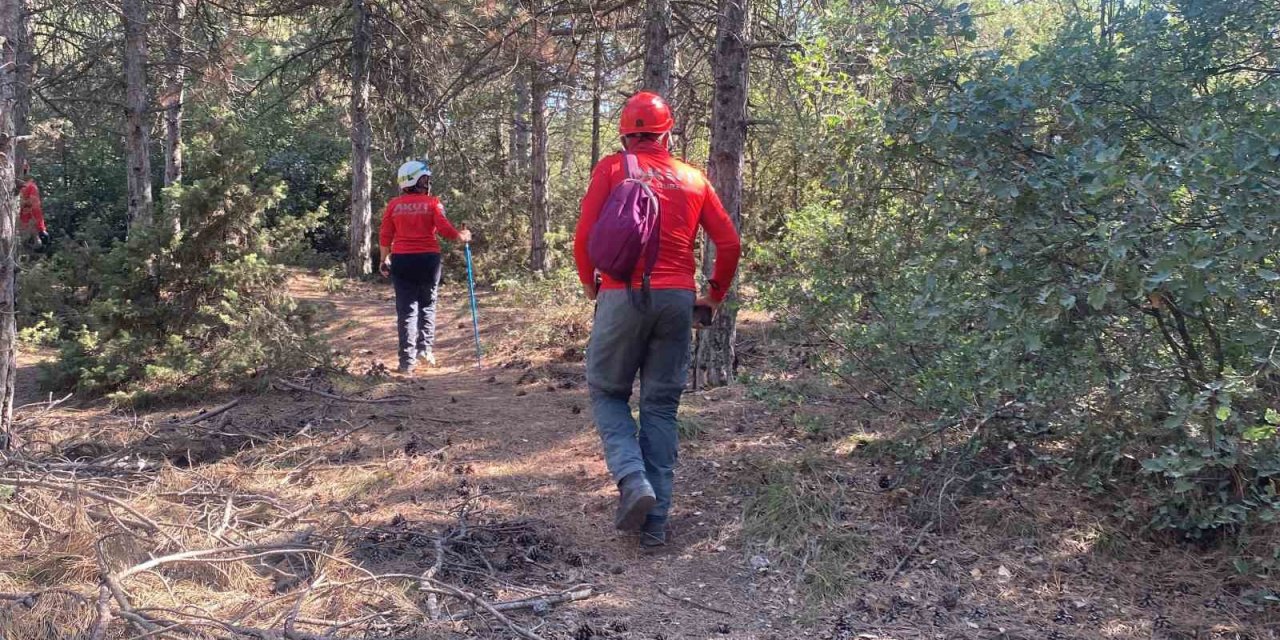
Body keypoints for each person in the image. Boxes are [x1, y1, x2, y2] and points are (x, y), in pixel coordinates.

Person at [573, 91, 741, 548]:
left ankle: (633, 479)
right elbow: (729, 244)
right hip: (677, 299)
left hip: (621, 294)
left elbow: (584, 238)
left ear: (625, 135)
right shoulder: (693, 177)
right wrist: (713, 295)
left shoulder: (612, 169)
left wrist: (592, 284)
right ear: (668, 134)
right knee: (661, 406)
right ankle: (656, 524)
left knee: (607, 391)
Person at [377, 160, 471, 374]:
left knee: (406, 310)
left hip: (402, 260)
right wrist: (462, 236)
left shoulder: (393, 205)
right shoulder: (433, 203)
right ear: (417, 181)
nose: (428, 183)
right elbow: (444, 228)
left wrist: (383, 260)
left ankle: (406, 362)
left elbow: (385, 234)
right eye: (425, 179)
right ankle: (424, 350)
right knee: (427, 305)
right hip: (428, 259)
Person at [16, 163, 49, 251]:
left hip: (28, 222)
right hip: (23, 223)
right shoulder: (27, 186)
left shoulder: (30, 186)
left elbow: (34, 204)